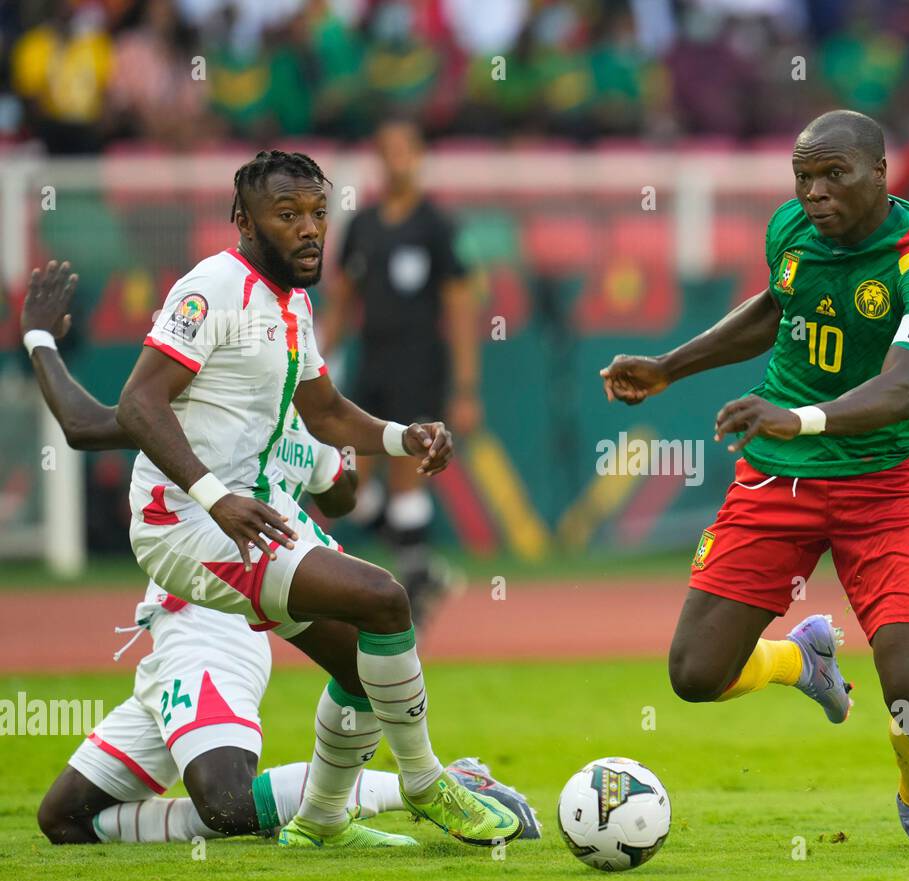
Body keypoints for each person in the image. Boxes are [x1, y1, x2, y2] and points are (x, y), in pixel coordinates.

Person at [22, 261, 543, 844]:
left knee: (235, 795)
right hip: (192, 610)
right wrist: (338, 458)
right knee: (62, 820)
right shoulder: (208, 410)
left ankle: (398, 792)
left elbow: (86, 424)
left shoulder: (279, 403)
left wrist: (38, 337)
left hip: (219, 613)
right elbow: (343, 496)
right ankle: (353, 807)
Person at [111, 149, 519, 848]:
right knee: (387, 598)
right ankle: (425, 784)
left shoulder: (293, 303)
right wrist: (214, 498)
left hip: (252, 515)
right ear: (243, 220)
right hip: (185, 524)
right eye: (287, 214)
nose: (309, 229)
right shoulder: (212, 286)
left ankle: (323, 820)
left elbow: (324, 409)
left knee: (364, 658)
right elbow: (136, 403)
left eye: (318, 214)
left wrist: (401, 436)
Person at [601, 110, 909, 850]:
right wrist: (668, 367)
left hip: (884, 484)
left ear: (880, 173)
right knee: (694, 673)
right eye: (802, 177)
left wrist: (797, 418)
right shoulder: (791, 231)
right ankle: (797, 660)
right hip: (778, 480)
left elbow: (903, 388)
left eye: (832, 174)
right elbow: (778, 307)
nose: (813, 192)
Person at [321, 117, 481, 624]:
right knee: (353, 488)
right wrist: (312, 363)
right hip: (372, 364)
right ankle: (421, 570)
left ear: (418, 157)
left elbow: (459, 307)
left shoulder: (437, 225)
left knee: (408, 477)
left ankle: (411, 597)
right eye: (386, 150)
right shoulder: (362, 225)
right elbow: (342, 303)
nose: (396, 160)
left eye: (405, 150)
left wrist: (466, 386)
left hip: (420, 365)